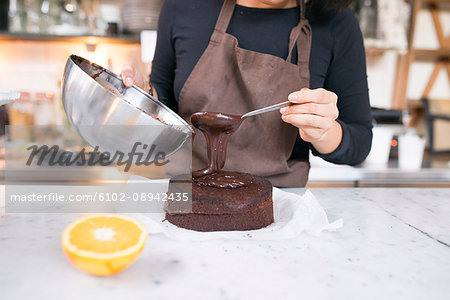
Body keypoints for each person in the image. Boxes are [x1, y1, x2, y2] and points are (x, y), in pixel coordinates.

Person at [121, 0, 372, 187]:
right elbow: (163, 101)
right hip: (188, 196)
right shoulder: (184, 6)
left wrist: (325, 131)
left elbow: (360, 142)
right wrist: (144, 97)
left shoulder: (336, 23)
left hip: (279, 208)